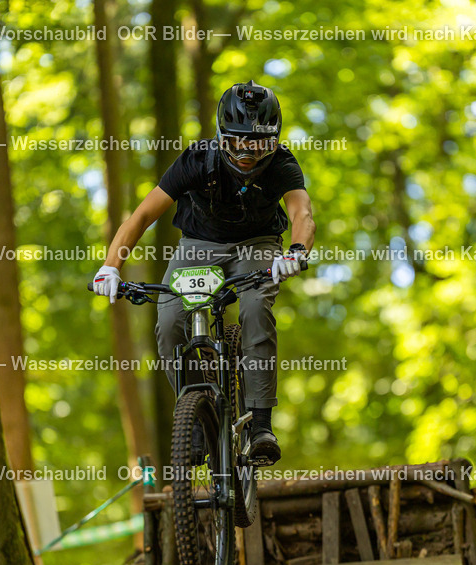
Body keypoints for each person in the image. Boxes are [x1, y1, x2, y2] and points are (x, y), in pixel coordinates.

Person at [92, 79, 316, 465]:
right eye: (237, 141)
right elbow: (142, 216)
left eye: (258, 143)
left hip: (257, 243)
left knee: (253, 308)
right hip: (198, 245)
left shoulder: (282, 165)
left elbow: (302, 214)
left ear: (274, 140)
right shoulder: (197, 160)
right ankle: (195, 418)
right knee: (169, 320)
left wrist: (295, 251)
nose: (247, 152)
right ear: (220, 135)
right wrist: (110, 267)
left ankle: (260, 423)